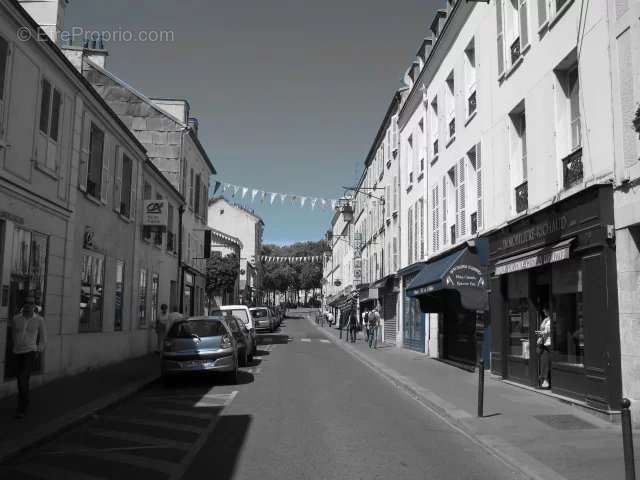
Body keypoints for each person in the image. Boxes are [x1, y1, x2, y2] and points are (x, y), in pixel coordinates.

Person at [11, 294, 47, 418]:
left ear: (34, 306)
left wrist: (38, 350)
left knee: (22, 379)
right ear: (23, 304)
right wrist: (14, 346)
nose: (28, 305)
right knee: (21, 381)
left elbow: (43, 338)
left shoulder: (39, 320)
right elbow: (13, 335)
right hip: (17, 352)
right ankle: (25, 400)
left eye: (31, 303)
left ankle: (21, 408)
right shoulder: (16, 319)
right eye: (26, 303)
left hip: (30, 352)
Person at [536, 306, 551, 389]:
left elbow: (549, 330)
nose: (544, 312)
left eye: (545, 310)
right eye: (543, 310)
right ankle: (543, 381)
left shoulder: (551, 319)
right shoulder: (546, 319)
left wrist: (541, 333)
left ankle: (545, 381)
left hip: (548, 344)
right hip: (544, 344)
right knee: (543, 361)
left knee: (546, 362)